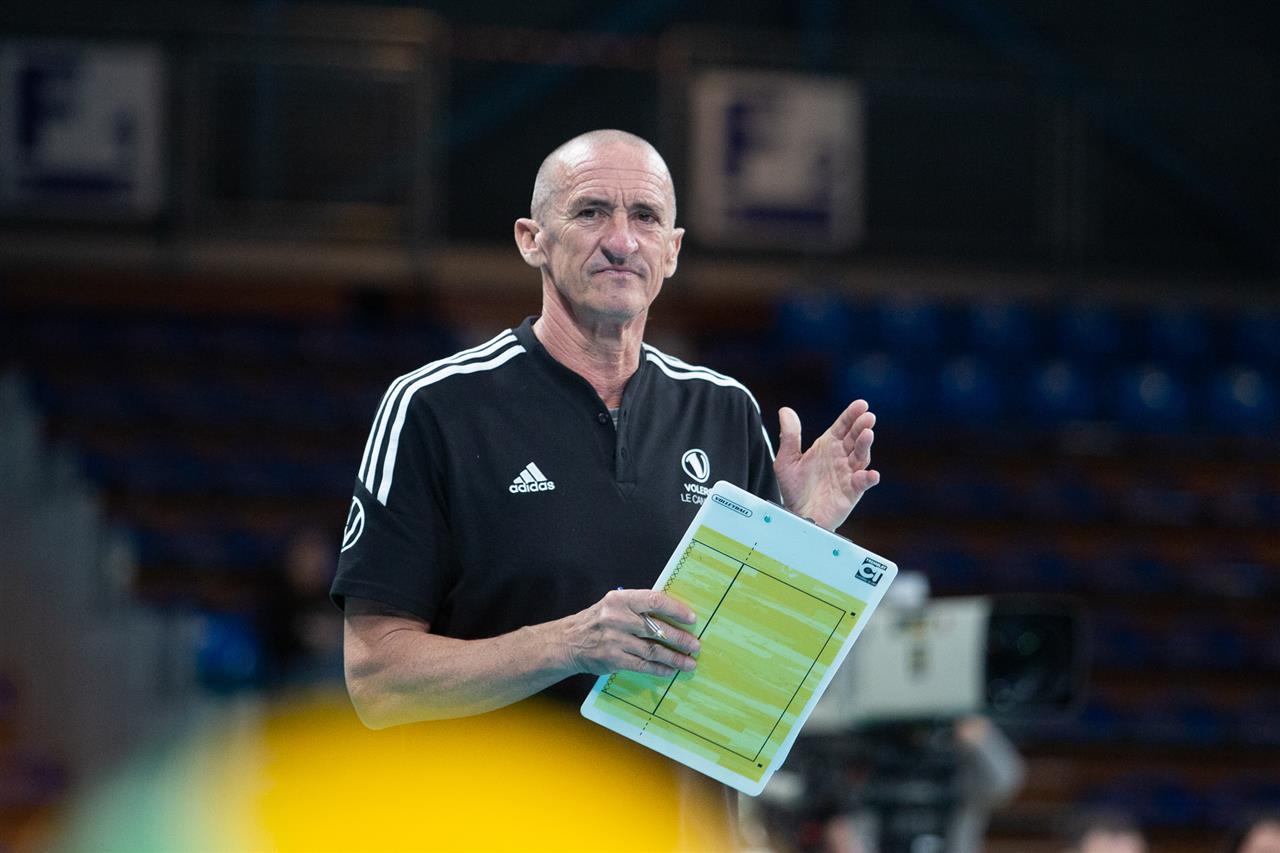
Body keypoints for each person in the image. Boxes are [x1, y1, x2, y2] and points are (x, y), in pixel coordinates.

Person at [331, 129, 879, 729]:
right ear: (532, 240)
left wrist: (801, 541)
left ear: (671, 251)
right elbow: (376, 682)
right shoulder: (435, 406)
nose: (621, 242)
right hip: (496, 793)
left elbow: (751, 680)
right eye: (591, 212)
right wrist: (569, 645)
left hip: (673, 795)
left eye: (645, 217)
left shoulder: (725, 409)